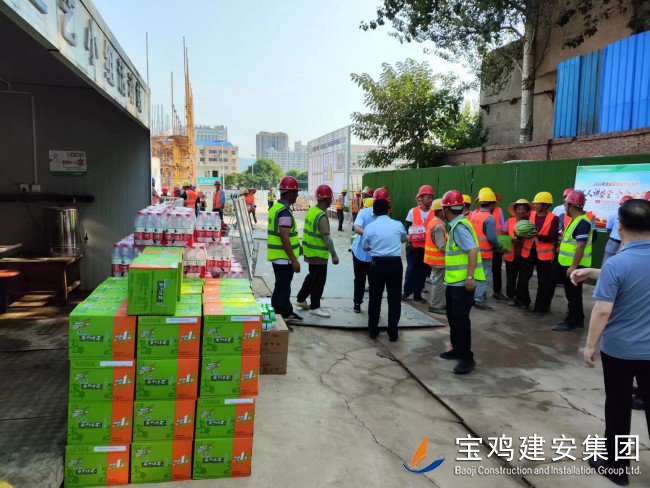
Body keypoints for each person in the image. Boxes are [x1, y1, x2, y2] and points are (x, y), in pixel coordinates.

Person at [577, 199, 650, 487]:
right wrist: (593, 272)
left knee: (618, 407)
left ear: (619, 226)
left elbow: (602, 310)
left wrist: (590, 345)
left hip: (620, 351)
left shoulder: (617, 263)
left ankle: (616, 468)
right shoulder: (614, 266)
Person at [439, 190, 486, 375]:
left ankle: (467, 358)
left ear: (446, 209)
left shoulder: (459, 227)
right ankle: (457, 349)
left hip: (462, 284)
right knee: (453, 317)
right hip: (453, 283)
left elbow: (472, 250)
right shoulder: (457, 225)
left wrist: (470, 277)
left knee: (461, 320)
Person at [362, 197, 407, 342]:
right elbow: (404, 238)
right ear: (389, 210)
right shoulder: (398, 224)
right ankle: (393, 333)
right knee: (394, 299)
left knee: (375, 298)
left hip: (377, 264)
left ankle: (373, 330)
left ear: (374, 212)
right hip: (395, 264)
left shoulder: (370, 227)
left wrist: (375, 246)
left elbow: (365, 246)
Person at [296, 185, 339, 318]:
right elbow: (327, 238)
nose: (331, 201)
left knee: (312, 277)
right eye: (330, 199)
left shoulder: (311, 211)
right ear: (326, 200)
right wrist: (334, 255)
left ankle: (301, 299)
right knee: (318, 281)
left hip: (310, 252)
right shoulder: (321, 216)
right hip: (319, 255)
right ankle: (315, 307)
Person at [553, 190, 593, 332]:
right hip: (569, 264)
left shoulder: (582, 223)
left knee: (573, 295)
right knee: (573, 294)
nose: (564, 207)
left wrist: (573, 266)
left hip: (574, 265)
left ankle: (572, 322)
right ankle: (578, 318)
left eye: (565, 204)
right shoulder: (575, 220)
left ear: (572, 205)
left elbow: (580, 246)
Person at [517, 192, 559, 317]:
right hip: (528, 252)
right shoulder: (529, 215)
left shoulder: (554, 218)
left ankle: (540, 308)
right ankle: (525, 302)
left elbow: (552, 237)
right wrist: (520, 232)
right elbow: (522, 230)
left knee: (543, 282)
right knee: (523, 279)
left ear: (545, 205)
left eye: (537, 203)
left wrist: (536, 235)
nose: (534, 205)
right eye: (534, 203)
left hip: (544, 255)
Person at [267, 176, 303, 325]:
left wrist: (298, 246)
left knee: (283, 287)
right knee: (282, 289)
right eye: (295, 192)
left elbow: (286, 235)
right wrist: (294, 260)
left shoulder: (277, 208)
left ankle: (286, 312)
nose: (297, 195)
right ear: (288, 193)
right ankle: (279, 318)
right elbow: (284, 237)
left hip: (279, 257)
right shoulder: (284, 213)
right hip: (284, 258)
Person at [350, 188, 389, 313]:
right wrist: (370, 236)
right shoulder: (364, 213)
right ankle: (357, 302)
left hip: (375, 255)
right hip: (360, 253)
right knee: (359, 280)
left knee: (375, 282)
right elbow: (356, 227)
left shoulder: (386, 216)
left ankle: (374, 308)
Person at [470, 188, 504, 310]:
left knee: (475, 275)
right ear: (492, 204)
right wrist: (500, 247)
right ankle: (478, 300)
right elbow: (491, 238)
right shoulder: (489, 218)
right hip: (485, 253)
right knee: (484, 277)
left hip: (474, 252)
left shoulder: (475, 216)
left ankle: (472, 297)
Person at [403, 185, 435, 303]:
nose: (431, 200)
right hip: (413, 247)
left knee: (422, 272)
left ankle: (417, 294)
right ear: (421, 197)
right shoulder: (413, 211)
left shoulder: (434, 213)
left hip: (426, 248)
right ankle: (407, 292)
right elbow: (408, 228)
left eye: (432, 197)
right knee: (411, 269)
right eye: (428, 197)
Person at [504, 199, 531, 306]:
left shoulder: (530, 223)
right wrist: (511, 239)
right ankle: (511, 296)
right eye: (519, 209)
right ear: (515, 211)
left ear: (527, 211)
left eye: (524, 209)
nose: (521, 211)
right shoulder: (509, 221)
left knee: (523, 279)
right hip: (511, 255)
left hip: (525, 255)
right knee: (511, 278)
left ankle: (521, 299)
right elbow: (503, 236)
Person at [424, 198, 447, 313]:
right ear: (440, 211)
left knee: (436, 282)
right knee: (438, 283)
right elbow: (442, 246)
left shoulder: (433, 222)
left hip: (432, 259)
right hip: (438, 260)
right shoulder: (438, 226)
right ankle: (435, 305)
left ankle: (436, 303)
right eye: (445, 209)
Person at [603, 195, 633, 264]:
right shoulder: (613, 216)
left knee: (621, 263)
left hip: (627, 244)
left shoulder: (634, 218)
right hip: (613, 242)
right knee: (607, 262)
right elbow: (608, 230)